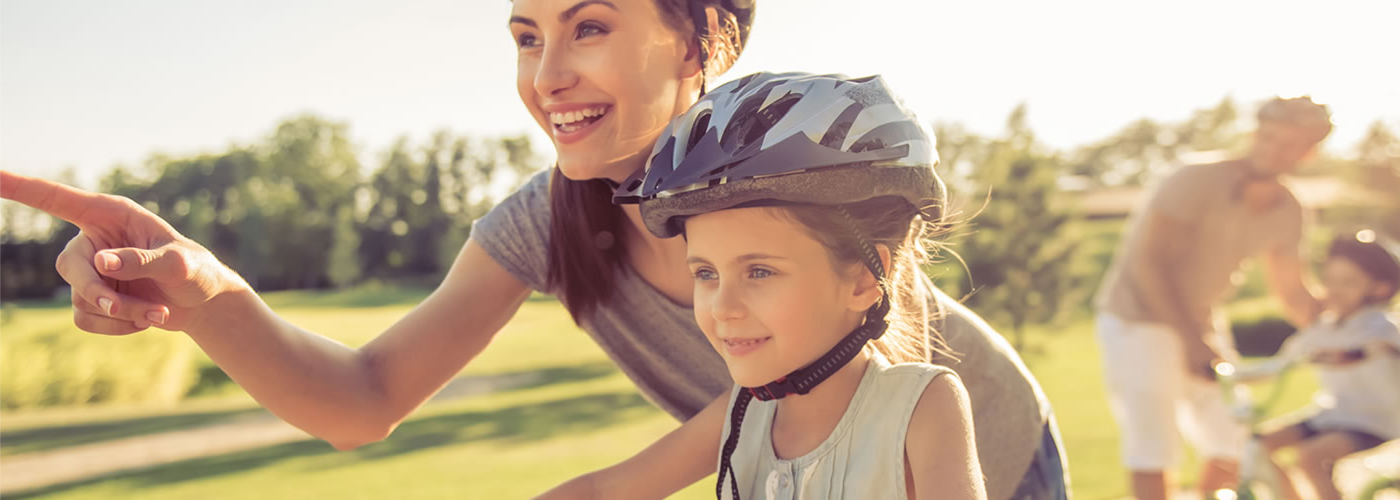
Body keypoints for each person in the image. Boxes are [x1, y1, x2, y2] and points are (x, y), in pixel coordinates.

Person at [0, 1, 1063, 497]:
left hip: (979, 463)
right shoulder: (544, 221)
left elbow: (871, 366)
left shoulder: (792, 159)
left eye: (587, 26)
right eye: (523, 35)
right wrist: (200, 289)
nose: (545, 73)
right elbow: (363, 396)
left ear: (698, 39)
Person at [539, 72, 984, 499]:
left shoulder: (921, 409)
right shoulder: (742, 413)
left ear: (864, 279)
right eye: (706, 274)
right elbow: (605, 492)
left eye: (759, 272)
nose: (722, 307)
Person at [1093, 96, 1332, 500]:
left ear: (1309, 153)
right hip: (1138, 319)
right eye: (1268, 137)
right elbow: (1151, 264)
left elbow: (1292, 291)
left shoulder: (1288, 208)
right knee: (1155, 443)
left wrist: (1346, 328)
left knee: (1232, 437)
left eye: (1290, 144)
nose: (1274, 150)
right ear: (1254, 133)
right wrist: (1190, 341)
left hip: (1201, 322)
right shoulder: (1196, 179)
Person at [1255, 230, 1400, 500]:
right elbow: (1279, 364)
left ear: (1379, 288)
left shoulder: (1382, 325)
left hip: (1376, 421)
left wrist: (1359, 353)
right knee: (1258, 445)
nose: (1334, 290)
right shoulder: (1323, 327)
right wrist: (1229, 374)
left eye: (1348, 282)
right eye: (1330, 280)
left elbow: (1381, 346)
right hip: (1333, 413)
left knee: (1309, 458)